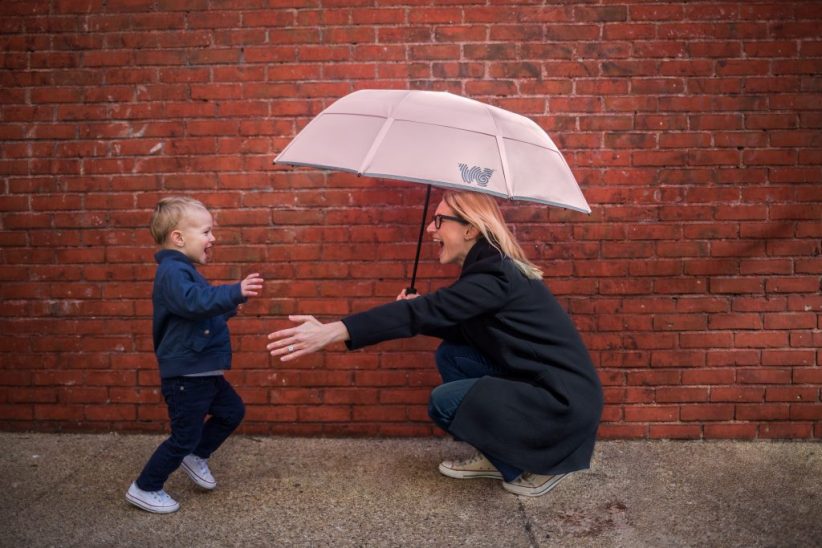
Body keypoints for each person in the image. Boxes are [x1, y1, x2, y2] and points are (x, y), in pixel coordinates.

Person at [266, 190, 603, 497]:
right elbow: (464, 329)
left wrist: (334, 330)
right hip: (539, 384)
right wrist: (417, 310)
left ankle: (533, 464)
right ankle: (497, 451)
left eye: (439, 221)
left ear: (470, 229)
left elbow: (424, 312)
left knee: (444, 402)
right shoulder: (487, 270)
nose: (431, 229)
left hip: (561, 403)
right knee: (454, 355)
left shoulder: (494, 277)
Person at [126, 196, 264, 513]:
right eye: (206, 231)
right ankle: (145, 487)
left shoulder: (183, 271)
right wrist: (233, 291)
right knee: (183, 436)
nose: (212, 238)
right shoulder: (173, 272)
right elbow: (193, 302)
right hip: (187, 376)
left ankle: (196, 455)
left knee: (232, 411)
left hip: (204, 372)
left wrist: (229, 304)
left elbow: (199, 312)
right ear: (178, 237)